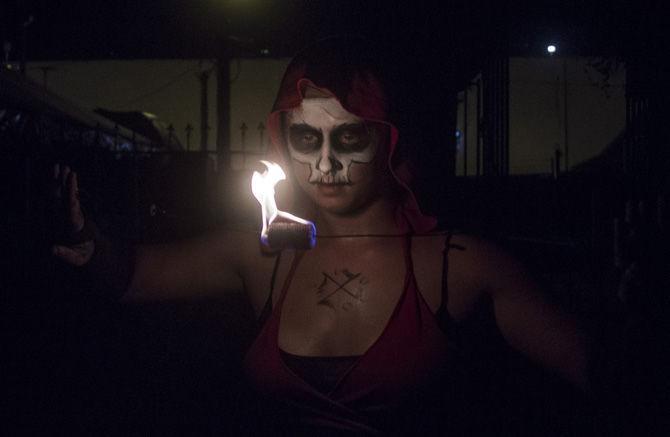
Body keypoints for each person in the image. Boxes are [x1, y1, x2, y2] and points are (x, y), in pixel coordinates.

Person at [52, 37, 590, 435]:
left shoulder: (460, 264)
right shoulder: (263, 253)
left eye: (348, 136)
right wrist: (88, 244)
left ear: (388, 142)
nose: (326, 163)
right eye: (307, 138)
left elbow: (603, 376)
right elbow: (132, 275)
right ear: (285, 143)